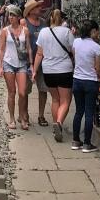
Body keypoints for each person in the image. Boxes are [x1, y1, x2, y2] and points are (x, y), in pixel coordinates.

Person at [34, 9, 75, 142]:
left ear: (50, 19)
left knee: (55, 99)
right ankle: (59, 123)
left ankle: (55, 126)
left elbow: (39, 53)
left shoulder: (43, 32)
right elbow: (73, 51)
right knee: (65, 101)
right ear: (62, 20)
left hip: (48, 71)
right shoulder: (67, 32)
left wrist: (34, 70)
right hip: (64, 70)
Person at [70, 20, 100, 152]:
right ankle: (87, 144)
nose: (98, 33)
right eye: (97, 31)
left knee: (79, 111)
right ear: (93, 31)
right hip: (90, 82)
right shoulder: (96, 47)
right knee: (89, 113)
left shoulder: (76, 42)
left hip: (77, 81)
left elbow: (75, 57)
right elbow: (97, 67)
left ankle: (75, 141)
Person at [0, 4, 32, 130]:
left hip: (22, 64)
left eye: (13, 15)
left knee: (22, 92)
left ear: (18, 17)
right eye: (9, 15)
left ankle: (22, 116)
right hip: (8, 63)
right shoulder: (5, 31)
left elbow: (28, 48)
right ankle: (12, 119)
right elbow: (1, 49)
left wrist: (32, 64)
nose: (10, 17)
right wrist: (0, 66)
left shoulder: (25, 31)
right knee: (12, 92)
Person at [23, 0, 49, 126]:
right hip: (27, 61)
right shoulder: (24, 23)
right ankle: (24, 114)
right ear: (31, 10)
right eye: (37, 7)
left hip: (43, 61)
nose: (40, 9)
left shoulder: (44, 23)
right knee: (25, 90)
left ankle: (41, 115)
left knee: (43, 89)